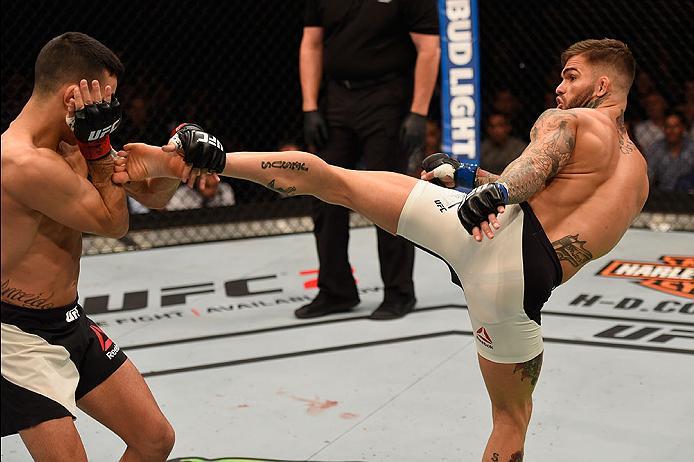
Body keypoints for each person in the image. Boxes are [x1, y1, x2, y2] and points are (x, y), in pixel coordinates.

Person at [117, 38, 649, 460]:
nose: (559, 86)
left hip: (495, 232)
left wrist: (496, 191)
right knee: (511, 421)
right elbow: (550, 198)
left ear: (603, 84)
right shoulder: (639, 176)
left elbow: (533, 169)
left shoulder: (572, 121)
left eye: (571, 75)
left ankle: (206, 158)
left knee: (335, 181)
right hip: (527, 284)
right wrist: (472, 178)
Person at [1, 32, 180, 461]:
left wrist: (180, 157)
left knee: (155, 440)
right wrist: (98, 149)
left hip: (69, 320)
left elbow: (152, 194)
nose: (109, 111)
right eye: (105, 98)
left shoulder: (71, 143)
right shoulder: (20, 161)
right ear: (72, 96)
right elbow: (113, 222)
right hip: (16, 336)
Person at [297, 0, 440, 320]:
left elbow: (428, 48)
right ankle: (336, 291)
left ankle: (399, 291)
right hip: (336, 98)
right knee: (323, 193)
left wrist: (418, 111)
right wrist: (310, 106)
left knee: (388, 196)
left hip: (386, 98)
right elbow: (312, 43)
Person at [645, 111, 694, 191]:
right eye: (668, 126)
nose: (671, 131)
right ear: (664, 129)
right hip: (662, 194)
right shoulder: (656, 148)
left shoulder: (692, 148)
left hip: (688, 195)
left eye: (675, 126)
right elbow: (648, 175)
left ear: (683, 128)